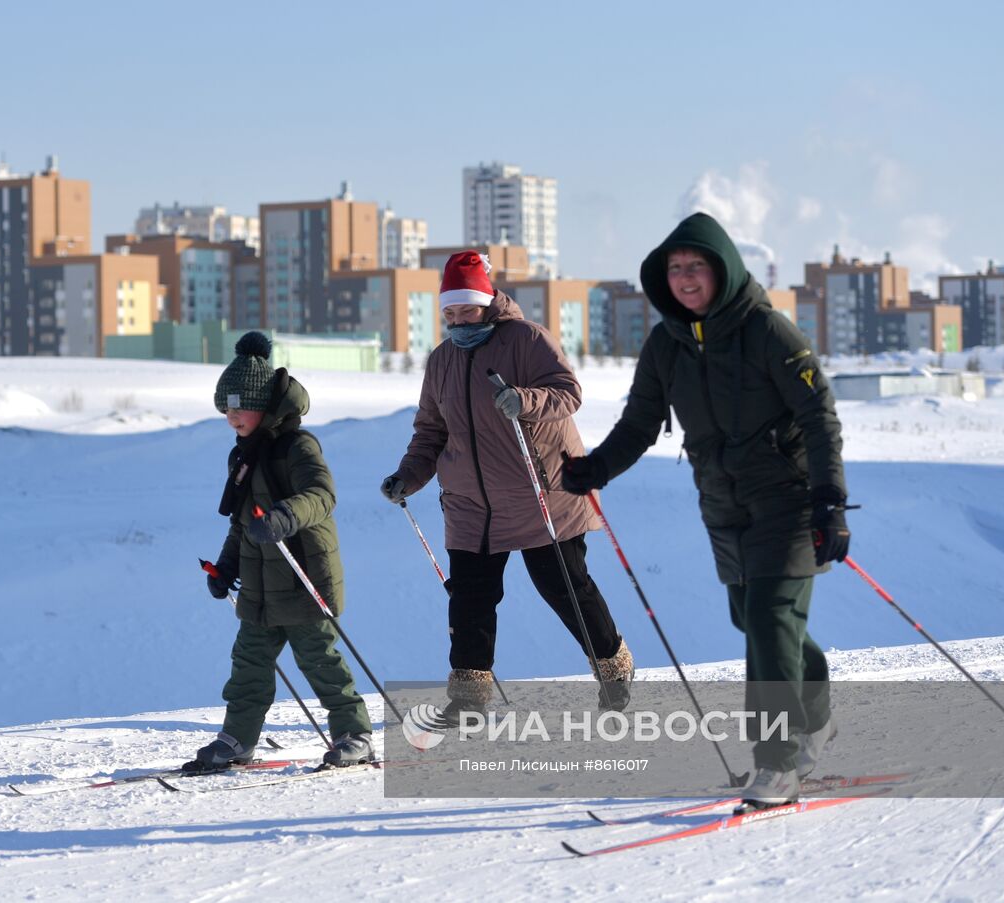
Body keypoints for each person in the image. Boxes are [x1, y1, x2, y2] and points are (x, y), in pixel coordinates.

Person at [560, 212, 851, 809]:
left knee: (770, 624)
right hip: (722, 504)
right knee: (759, 621)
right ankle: (816, 715)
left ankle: (777, 762)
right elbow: (640, 422)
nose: (686, 278)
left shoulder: (769, 332)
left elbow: (818, 416)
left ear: (722, 269)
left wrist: (830, 501)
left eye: (696, 267)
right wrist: (598, 468)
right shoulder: (666, 344)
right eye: (675, 269)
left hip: (788, 501)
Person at [380, 250, 633, 717]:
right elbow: (431, 432)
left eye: (466, 310)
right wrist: (407, 477)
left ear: (488, 301)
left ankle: (614, 670)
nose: (458, 321)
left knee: (565, 590)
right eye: (449, 313)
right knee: (470, 601)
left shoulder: (526, 339)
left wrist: (524, 399)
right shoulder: (440, 362)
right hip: (471, 504)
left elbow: (568, 392)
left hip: (540, 495)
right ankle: (468, 700)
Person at [187, 331, 374, 773]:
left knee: (320, 661)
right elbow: (242, 522)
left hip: (302, 575)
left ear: (265, 406)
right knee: (248, 665)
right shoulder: (243, 454)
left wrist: (283, 516)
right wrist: (226, 567)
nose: (231, 416)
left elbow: (322, 495)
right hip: (259, 586)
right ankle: (237, 739)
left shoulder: (298, 446)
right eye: (226, 409)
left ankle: (355, 733)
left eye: (239, 407)